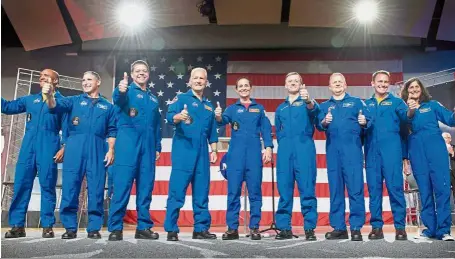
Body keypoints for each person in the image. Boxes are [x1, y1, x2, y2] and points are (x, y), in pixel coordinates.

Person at [46, 71, 117, 239]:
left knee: (96, 188)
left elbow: (112, 130)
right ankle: (70, 228)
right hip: (74, 147)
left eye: (89, 79)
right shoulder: (73, 101)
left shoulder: (108, 106)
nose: (85, 82)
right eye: (83, 80)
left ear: (98, 82)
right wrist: (49, 95)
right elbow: (53, 106)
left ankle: (93, 228)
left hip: (98, 147)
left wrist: (111, 149)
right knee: (70, 187)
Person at [2, 69, 66, 238]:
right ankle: (17, 225)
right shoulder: (30, 99)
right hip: (28, 146)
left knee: (47, 186)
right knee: (21, 185)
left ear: (55, 81)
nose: (42, 78)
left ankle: (47, 225)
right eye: (41, 76)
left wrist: (64, 146)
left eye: (47, 76)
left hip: (49, 144)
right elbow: (7, 107)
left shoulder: (62, 102)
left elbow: (67, 127)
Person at [108, 60, 162, 241]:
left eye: (144, 71)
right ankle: (116, 228)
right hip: (127, 145)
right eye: (137, 71)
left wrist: (157, 146)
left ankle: (143, 227)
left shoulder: (154, 98)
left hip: (147, 147)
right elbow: (118, 98)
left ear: (148, 74)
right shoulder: (126, 91)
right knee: (122, 186)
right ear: (132, 75)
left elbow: (157, 126)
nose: (141, 73)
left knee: (145, 188)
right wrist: (120, 90)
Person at [164, 67, 218, 241]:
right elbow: (169, 115)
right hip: (183, 149)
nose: (198, 81)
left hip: (202, 151)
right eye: (195, 78)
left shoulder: (209, 106)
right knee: (177, 190)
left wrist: (214, 150)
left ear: (206, 82)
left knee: (202, 192)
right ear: (189, 81)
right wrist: (179, 116)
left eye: (202, 78)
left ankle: (201, 228)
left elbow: (213, 133)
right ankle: (172, 229)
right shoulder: (181, 98)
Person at [215, 77, 273, 241]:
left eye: (246, 85)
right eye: (240, 86)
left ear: (251, 88)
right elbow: (221, 122)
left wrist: (268, 148)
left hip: (254, 156)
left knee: (255, 193)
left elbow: (266, 130)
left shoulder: (259, 109)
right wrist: (218, 116)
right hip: (235, 157)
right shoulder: (232, 109)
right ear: (236, 89)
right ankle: (232, 228)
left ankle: (254, 227)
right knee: (233, 193)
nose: (243, 88)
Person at [316, 73, 371, 241]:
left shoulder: (356, 102)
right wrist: (324, 121)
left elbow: (368, 122)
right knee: (336, 190)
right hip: (333, 152)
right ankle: (339, 227)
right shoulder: (324, 106)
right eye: (334, 82)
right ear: (330, 87)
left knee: (355, 189)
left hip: (352, 151)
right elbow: (319, 125)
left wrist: (364, 122)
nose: (338, 84)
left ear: (345, 85)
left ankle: (356, 228)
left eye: (340, 82)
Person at [402, 78, 455, 241]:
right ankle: (429, 229)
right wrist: (405, 158)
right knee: (424, 191)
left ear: (421, 89)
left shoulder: (432, 105)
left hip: (436, 151)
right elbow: (403, 128)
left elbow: (450, 120)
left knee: (442, 189)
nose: (414, 89)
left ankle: (444, 230)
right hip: (417, 153)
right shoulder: (403, 109)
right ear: (406, 91)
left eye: (417, 86)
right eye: (411, 87)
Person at [274, 72, 320, 240]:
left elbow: (316, 114)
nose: (293, 83)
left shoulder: (308, 103)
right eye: (290, 81)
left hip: (304, 149)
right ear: (285, 86)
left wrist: (308, 100)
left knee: (307, 188)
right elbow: (278, 131)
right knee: (284, 190)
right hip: (285, 151)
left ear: (301, 85)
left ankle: (309, 228)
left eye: (296, 81)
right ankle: (284, 228)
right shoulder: (281, 108)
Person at [363, 70, 408, 240]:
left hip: (392, 153)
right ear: (372, 83)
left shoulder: (397, 103)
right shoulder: (365, 105)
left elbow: (406, 128)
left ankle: (400, 227)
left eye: (385, 81)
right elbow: (360, 133)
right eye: (379, 81)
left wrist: (405, 156)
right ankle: (376, 227)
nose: (382, 84)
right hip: (371, 154)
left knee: (395, 189)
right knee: (374, 191)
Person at [442, 132, 455, 200]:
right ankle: (446, 209)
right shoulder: (440, 149)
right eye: (443, 138)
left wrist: (452, 153)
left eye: (445, 138)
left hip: (453, 171)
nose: (444, 140)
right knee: (445, 191)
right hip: (444, 172)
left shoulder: (453, 147)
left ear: (450, 139)